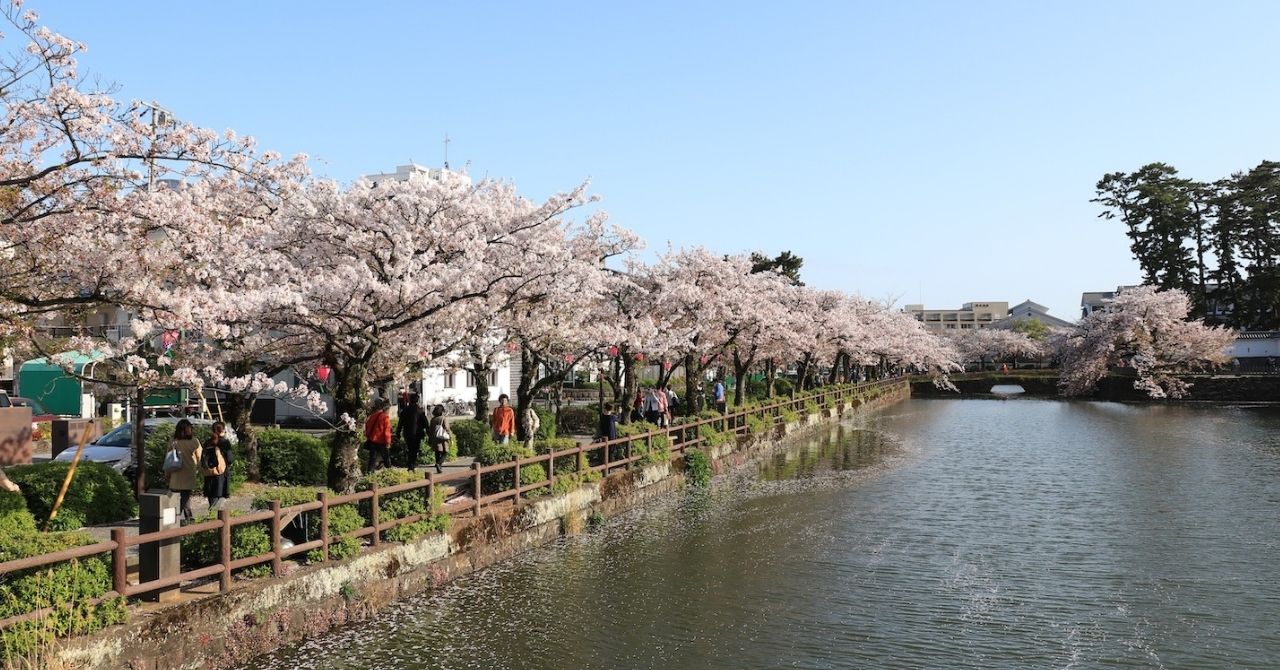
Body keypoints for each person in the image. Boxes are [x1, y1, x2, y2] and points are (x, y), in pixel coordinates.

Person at [167, 419, 202, 522]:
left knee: (173, 497)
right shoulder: (194, 441)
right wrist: (199, 470)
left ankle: (176, 517)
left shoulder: (173, 441)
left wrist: (167, 474)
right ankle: (186, 517)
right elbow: (200, 457)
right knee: (186, 496)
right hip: (189, 472)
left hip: (175, 472)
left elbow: (168, 458)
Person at [201, 421, 233, 510]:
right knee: (219, 496)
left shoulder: (207, 442)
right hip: (221, 473)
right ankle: (213, 516)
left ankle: (211, 514)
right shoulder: (224, 442)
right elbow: (230, 459)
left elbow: (202, 458)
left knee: (211, 496)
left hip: (209, 473)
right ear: (222, 430)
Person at [397, 393, 427, 470]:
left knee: (410, 449)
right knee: (415, 450)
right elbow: (425, 423)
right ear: (417, 400)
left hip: (407, 433)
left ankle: (411, 464)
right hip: (417, 434)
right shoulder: (420, 411)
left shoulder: (405, 410)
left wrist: (398, 432)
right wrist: (428, 432)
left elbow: (400, 422)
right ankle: (411, 464)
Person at [364, 399, 392, 473]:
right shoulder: (385, 418)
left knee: (372, 458)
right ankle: (389, 472)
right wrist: (388, 443)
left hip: (372, 440)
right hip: (382, 441)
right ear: (387, 409)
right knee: (386, 458)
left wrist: (368, 436)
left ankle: (370, 472)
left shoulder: (373, 416)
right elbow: (387, 432)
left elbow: (367, 426)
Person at [427, 405, 450, 474]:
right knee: (445, 452)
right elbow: (447, 428)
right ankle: (439, 464)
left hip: (435, 437)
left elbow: (430, 430)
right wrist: (450, 436)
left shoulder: (433, 419)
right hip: (442, 438)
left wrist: (430, 439)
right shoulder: (443, 418)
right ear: (442, 411)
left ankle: (438, 468)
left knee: (437, 452)